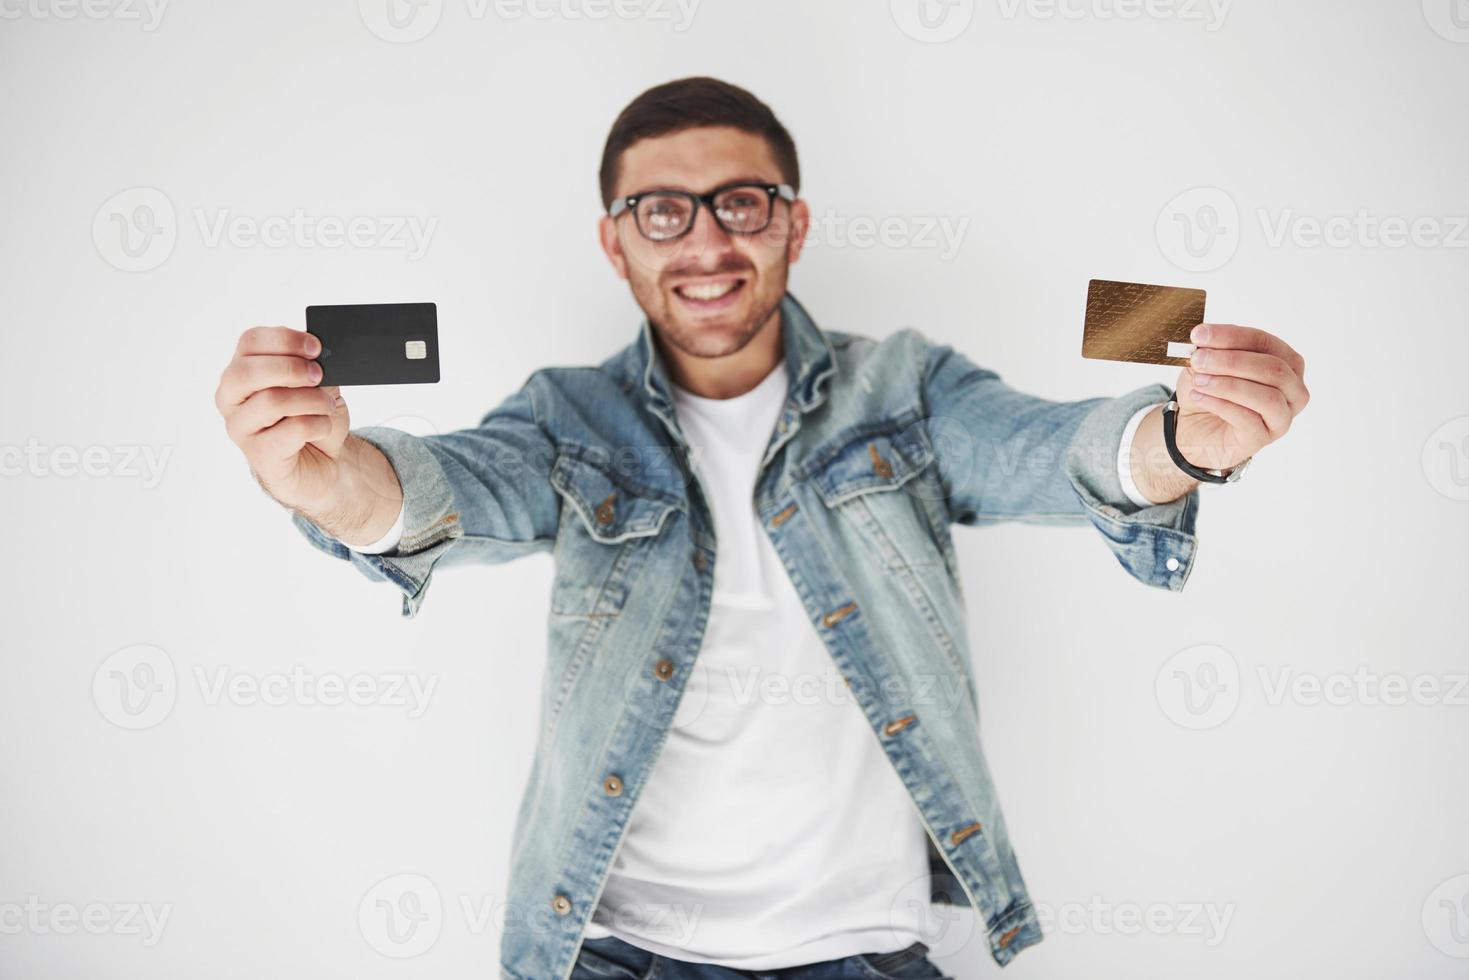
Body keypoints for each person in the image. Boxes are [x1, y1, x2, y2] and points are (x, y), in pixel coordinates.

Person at [212, 76, 1308, 980]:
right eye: (662, 211)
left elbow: (1052, 450)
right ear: (615, 244)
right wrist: (323, 478)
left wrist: (1184, 440)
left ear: (792, 220)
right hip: (615, 952)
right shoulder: (569, 418)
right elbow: (441, 493)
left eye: (741, 201)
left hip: (868, 951)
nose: (704, 241)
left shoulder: (903, 387)